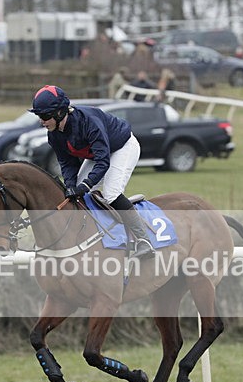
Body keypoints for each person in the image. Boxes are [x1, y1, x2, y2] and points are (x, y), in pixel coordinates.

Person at [29, 85, 155, 259]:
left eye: (44, 116)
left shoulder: (89, 122)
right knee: (75, 196)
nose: (41, 121)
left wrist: (86, 185)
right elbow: (67, 163)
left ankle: (144, 240)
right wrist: (71, 187)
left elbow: (103, 162)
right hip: (96, 153)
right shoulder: (54, 134)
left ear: (59, 113)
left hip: (122, 147)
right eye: (39, 116)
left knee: (111, 194)